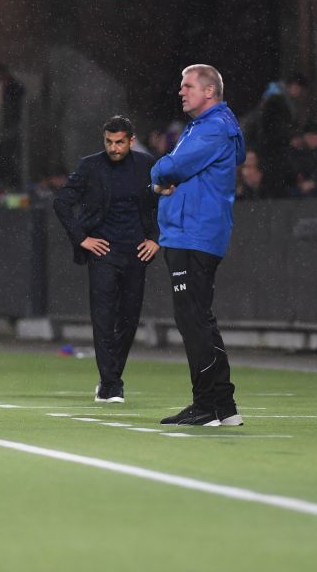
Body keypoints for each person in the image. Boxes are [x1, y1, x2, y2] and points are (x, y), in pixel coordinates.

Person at [150, 64, 245, 427]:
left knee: (193, 318)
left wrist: (159, 175)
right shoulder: (208, 127)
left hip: (193, 233)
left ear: (209, 91)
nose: (181, 91)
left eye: (188, 85)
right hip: (192, 232)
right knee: (198, 317)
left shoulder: (213, 127)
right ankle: (223, 405)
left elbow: (170, 168)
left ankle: (207, 404)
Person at [52, 115, 160, 404]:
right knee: (103, 318)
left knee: (129, 319)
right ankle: (112, 385)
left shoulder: (147, 165)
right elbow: (61, 201)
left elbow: (162, 202)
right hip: (103, 253)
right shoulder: (90, 165)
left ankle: (110, 379)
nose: (114, 148)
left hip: (136, 252)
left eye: (120, 142)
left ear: (131, 141)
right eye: (109, 142)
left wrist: (156, 238)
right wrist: (82, 238)